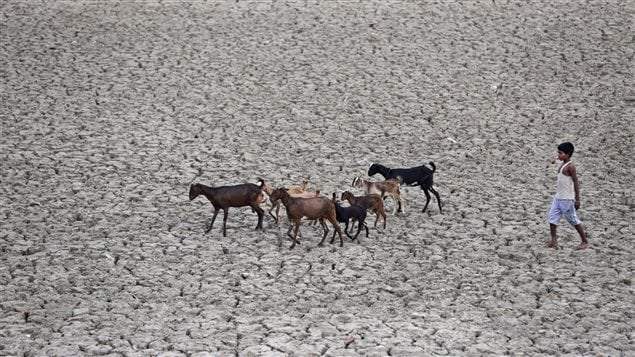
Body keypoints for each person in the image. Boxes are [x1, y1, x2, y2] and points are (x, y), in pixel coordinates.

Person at [546, 142, 588, 250]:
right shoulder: (562, 163)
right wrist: (554, 160)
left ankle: (584, 241)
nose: (558, 155)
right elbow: (557, 158)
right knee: (552, 218)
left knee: (572, 219)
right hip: (558, 197)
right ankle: (554, 240)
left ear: (568, 154)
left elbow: (576, 182)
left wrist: (577, 200)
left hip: (567, 199)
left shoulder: (571, 167)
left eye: (560, 153)